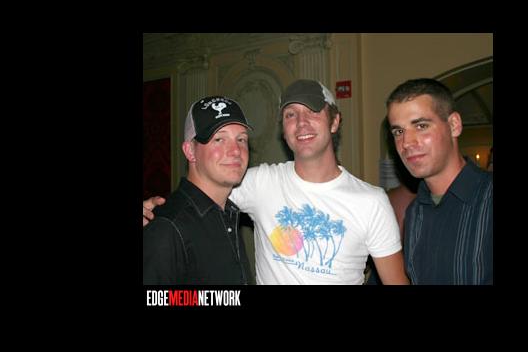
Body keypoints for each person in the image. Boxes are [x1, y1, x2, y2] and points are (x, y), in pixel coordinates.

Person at [145, 79, 410, 285]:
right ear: (283, 130)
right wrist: (153, 210)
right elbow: (199, 194)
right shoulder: (259, 182)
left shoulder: (372, 202)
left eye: (312, 111)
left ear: (334, 121)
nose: (301, 122)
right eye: (290, 114)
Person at [386, 78, 493, 285]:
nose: (406, 143)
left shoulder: (487, 198)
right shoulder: (415, 212)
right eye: (399, 131)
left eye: (421, 126)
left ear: (454, 125)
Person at [143, 96, 255, 285]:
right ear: (190, 151)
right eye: (219, 139)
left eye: (241, 139)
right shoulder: (167, 227)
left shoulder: (228, 213)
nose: (236, 151)